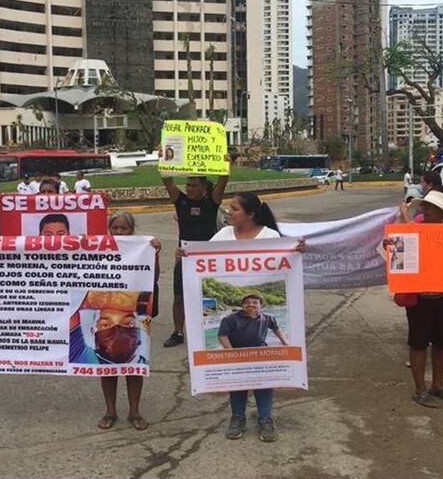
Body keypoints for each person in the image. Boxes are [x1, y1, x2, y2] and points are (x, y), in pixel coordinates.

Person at [178, 192, 304, 442]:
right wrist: (184, 255)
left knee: (264, 379)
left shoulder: (270, 237)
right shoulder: (223, 236)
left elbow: (287, 264)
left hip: (260, 350)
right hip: (235, 349)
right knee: (236, 379)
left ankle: (265, 417)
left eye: (234, 209)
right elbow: (199, 258)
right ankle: (237, 417)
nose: (228, 212)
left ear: (251, 214)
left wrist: (297, 251)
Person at [89, 211, 162, 431]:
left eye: (124, 228)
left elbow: (152, 278)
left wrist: (154, 255)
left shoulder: (142, 248)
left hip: (135, 318)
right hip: (106, 315)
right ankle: (110, 411)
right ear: (109, 229)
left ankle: (134, 411)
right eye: (115, 228)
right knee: (107, 367)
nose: (119, 232)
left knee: (134, 366)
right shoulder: (99, 250)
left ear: (132, 230)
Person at [397, 190, 443, 408]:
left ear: (442, 212)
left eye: (429, 207)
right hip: (419, 297)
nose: (424, 210)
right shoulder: (412, 228)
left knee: (441, 342)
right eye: (424, 206)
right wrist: (391, 246)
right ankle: (420, 390)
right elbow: (396, 250)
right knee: (418, 342)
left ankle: (437, 385)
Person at [161, 162, 229, 348]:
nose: (190, 189)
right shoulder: (180, 201)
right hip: (183, 257)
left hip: (207, 259)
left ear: (203, 188)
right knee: (179, 296)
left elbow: (223, 181)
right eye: (188, 185)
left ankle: (212, 330)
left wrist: (224, 164)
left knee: (209, 295)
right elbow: (167, 181)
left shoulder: (211, 203)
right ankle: (178, 332)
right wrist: (164, 160)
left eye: (194, 186)